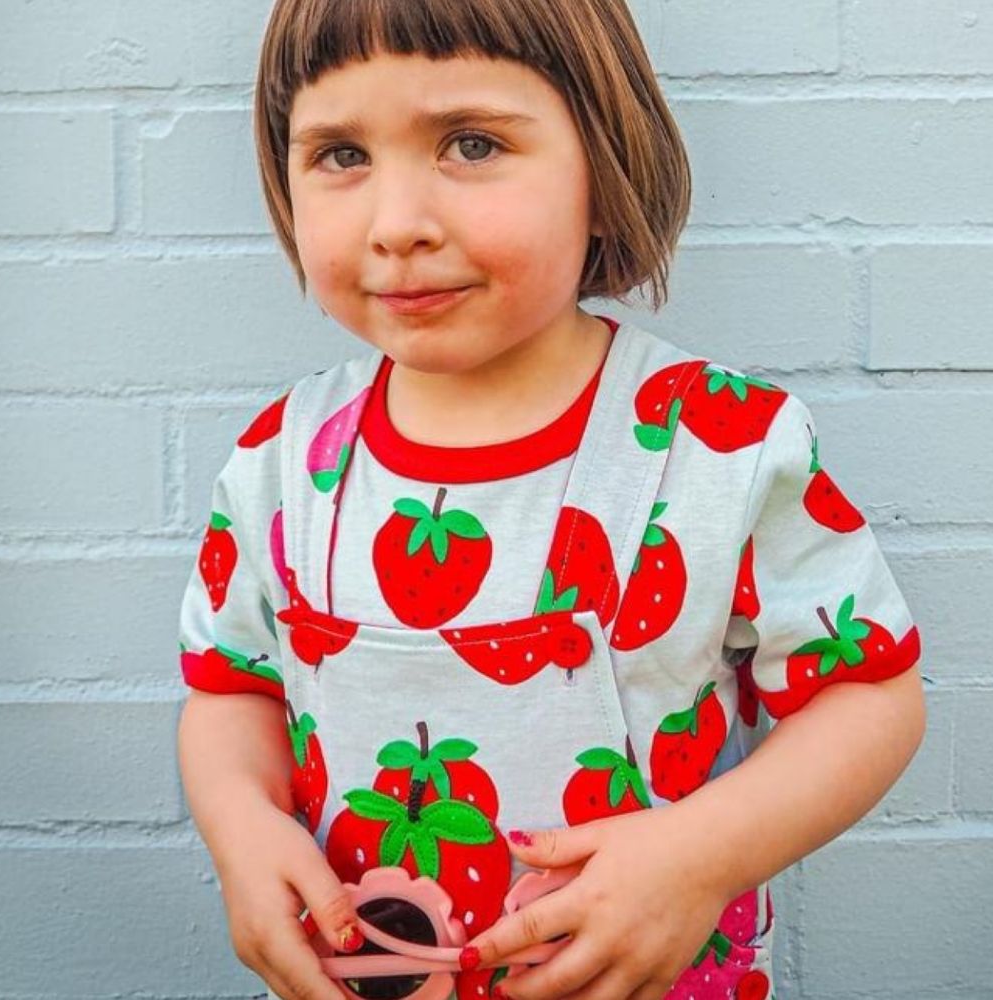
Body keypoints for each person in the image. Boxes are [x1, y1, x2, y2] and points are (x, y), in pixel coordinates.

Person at [176, 2, 927, 999]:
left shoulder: (720, 446)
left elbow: (866, 694)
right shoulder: (278, 464)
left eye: (471, 144)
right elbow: (232, 688)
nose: (398, 225)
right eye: (340, 154)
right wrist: (241, 827)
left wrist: (698, 855)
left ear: (604, 176)